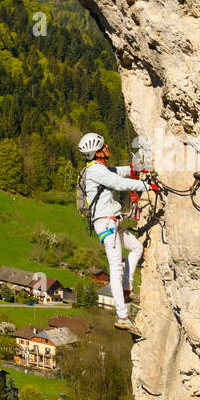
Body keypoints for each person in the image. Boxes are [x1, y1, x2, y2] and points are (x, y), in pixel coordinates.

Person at [78, 132, 150, 335]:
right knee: (116, 268)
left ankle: (127, 291)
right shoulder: (95, 171)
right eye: (104, 146)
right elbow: (118, 183)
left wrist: (138, 169)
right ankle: (122, 316)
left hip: (112, 221)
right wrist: (147, 186)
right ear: (97, 153)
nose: (108, 147)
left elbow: (119, 172)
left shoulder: (99, 168)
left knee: (136, 248)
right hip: (106, 224)